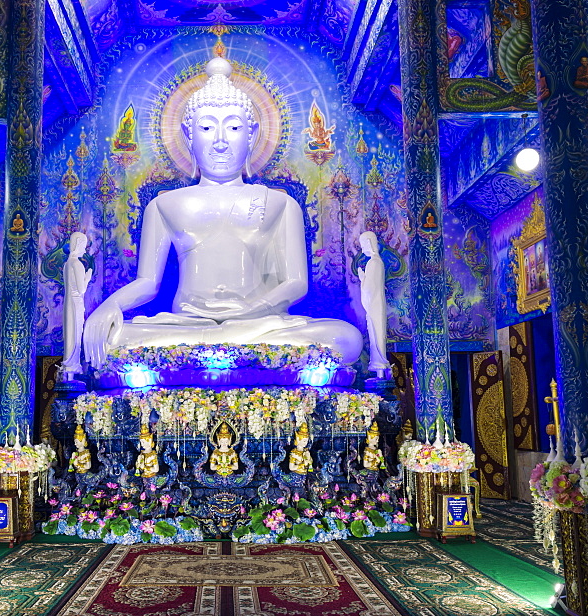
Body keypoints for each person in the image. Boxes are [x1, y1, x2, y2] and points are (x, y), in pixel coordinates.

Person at [83, 57, 363, 367]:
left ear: (252, 134)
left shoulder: (281, 204)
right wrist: (108, 307)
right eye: (206, 128)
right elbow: (148, 283)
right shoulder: (164, 205)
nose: (219, 141)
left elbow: (296, 283)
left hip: (260, 325)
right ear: (188, 135)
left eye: (233, 127)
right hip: (187, 326)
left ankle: (211, 353)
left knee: (345, 338)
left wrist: (252, 311)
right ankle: (239, 356)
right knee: (112, 337)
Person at [357, 231, 389, 378]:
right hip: (376, 304)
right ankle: (379, 368)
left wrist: (362, 279)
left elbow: (369, 289)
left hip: (375, 305)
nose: (363, 249)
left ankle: (379, 366)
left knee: (377, 334)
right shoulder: (377, 262)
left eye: (363, 245)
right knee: (376, 333)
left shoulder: (374, 262)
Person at [62, 232, 93, 380]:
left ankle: (69, 369)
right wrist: (88, 277)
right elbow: (81, 289)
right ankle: (72, 366)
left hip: (69, 302)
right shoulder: (77, 264)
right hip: (76, 302)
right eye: (83, 246)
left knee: (71, 332)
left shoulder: (67, 264)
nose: (85, 250)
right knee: (75, 333)